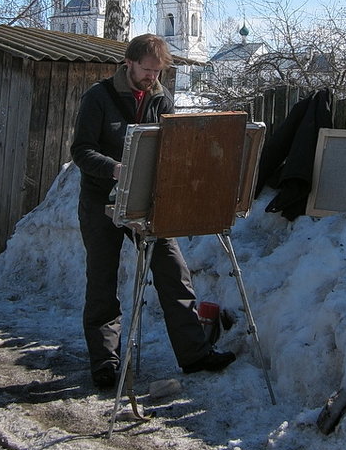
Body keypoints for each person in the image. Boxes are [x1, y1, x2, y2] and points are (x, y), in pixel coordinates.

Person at [71, 34, 235, 389]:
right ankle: (105, 363)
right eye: (147, 70)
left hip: (148, 203)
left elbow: (172, 147)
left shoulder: (162, 98)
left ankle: (194, 354)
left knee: (174, 270)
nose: (152, 77)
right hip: (102, 201)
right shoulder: (98, 98)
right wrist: (117, 168)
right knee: (102, 280)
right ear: (129, 63)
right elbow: (80, 151)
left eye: (158, 71)